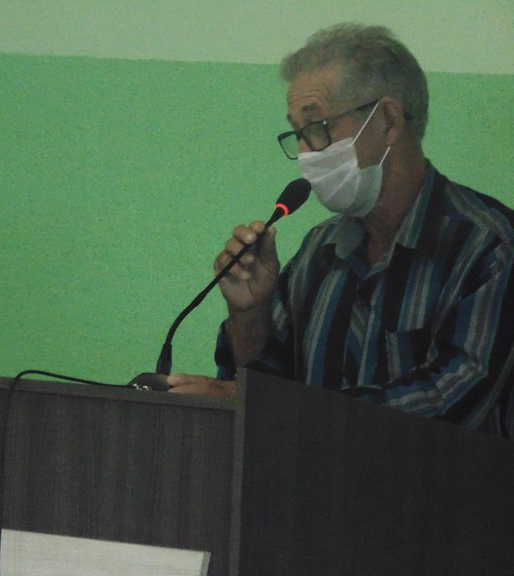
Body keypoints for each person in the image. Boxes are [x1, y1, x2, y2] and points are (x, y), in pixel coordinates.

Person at [167, 23, 514, 437]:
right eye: (297, 134)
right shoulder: (320, 249)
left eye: (317, 128)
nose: (305, 153)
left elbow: (450, 404)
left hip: (441, 480)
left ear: (388, 121)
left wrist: (279, 406)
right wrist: (250, 312)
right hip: (313, 480)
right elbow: (259, 390)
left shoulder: (490, 246)